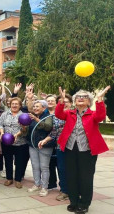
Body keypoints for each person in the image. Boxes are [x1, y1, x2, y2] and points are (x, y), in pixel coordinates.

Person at [55, 86, 110, 214]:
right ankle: (73, 202)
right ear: (74, 101)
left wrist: (100, 99)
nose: (81, 98)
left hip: (87, 150)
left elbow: (101, 116)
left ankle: (84, 203)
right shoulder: (69, 113)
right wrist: (61, 101)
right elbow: (58, 114)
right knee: (71, 176)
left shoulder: (93, 114)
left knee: (86, 177)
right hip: (70, 148)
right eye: (78, 97)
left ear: (89, 102)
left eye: (84, 97)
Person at [0, 97, 29, 189]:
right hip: (7, 142)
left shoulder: (23, 115)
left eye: (16, 104)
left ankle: (18, 180)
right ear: (9, 105)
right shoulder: (5, 114)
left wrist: (17, 134)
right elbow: (0, 124)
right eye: (13, 104)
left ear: (20, 105)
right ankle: (9, 178)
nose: (14, 105)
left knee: (19, 162)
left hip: (20, 142)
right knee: (8, 161)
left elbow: (26, 129)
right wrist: (2, 133)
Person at [24, 100, 54, 197]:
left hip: (45, 145)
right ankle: (37, 184)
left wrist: (36, 120)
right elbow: (28, 130)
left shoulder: (48, 116)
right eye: (34, 107)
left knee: (44, 167)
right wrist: (23, 127)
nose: (35, 108)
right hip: (32, 145)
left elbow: (48, 127)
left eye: (38, 106)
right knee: (34, 165)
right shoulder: (32, 116)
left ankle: (45, 187)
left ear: (44, 108)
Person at [50, 94, 73, 201]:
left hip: (74, 146)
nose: (64, 103)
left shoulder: (76, 114)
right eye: (61, 101)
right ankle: (64, 190)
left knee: (74, 169)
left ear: (71, 103)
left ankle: (75, 190)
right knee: (62, 168)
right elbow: (54, 132)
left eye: (66, 101)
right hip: (61, 145)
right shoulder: (56, 115)